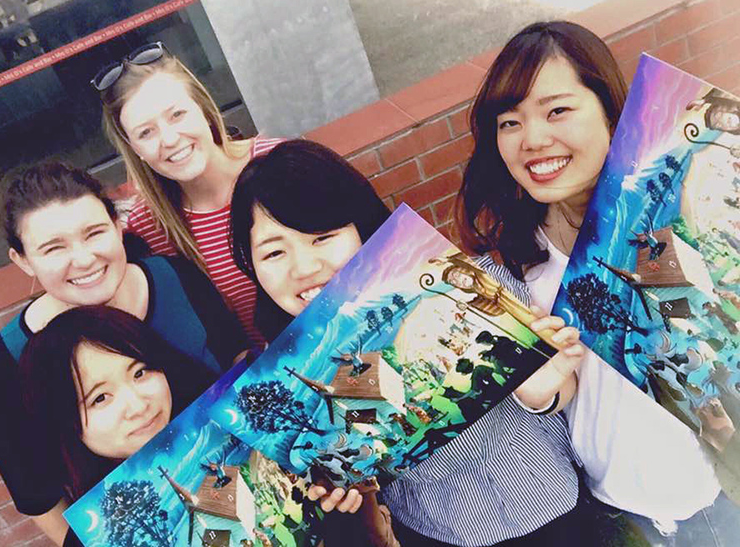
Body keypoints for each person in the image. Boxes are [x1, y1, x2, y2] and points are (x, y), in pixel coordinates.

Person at [230, 139, 591, 546]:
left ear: (361, 227)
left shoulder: (468, 285)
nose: (306, 267)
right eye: (274, 253)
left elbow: (555, 393)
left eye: (322, 237)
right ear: (252, 267)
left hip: (552, 502)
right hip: (436, 533)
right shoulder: (284, 394)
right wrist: (341, 493)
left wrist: (543, 388)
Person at [455, 20, 730, 543]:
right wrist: (538, 392)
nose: (533, 140)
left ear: (610, 111)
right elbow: (573, 393)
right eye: (509, 122)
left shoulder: (687, 215)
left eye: (557, 109)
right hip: (611, 509)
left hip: (710, 495)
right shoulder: (516, 261)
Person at [0, 162, 248, 547]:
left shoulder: (174, 277)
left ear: (117, 226)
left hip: (250, 487)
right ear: (22, 260)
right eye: (54, 248)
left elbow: (237, 366)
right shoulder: (7, 364)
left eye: (94, 233)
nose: (84, 259)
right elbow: (39, 497)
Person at [94, 41, 281, 343]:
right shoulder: (148, 228)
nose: (168, 139)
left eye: (177, 115)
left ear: (203, 109)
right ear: (134, 149)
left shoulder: (279, 163)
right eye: (146, 132)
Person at [19, 305, 215, 503]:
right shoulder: (101, 526)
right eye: (100, 397)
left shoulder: (229, 427)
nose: (138, 406)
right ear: (63, 423)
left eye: (139, 373)